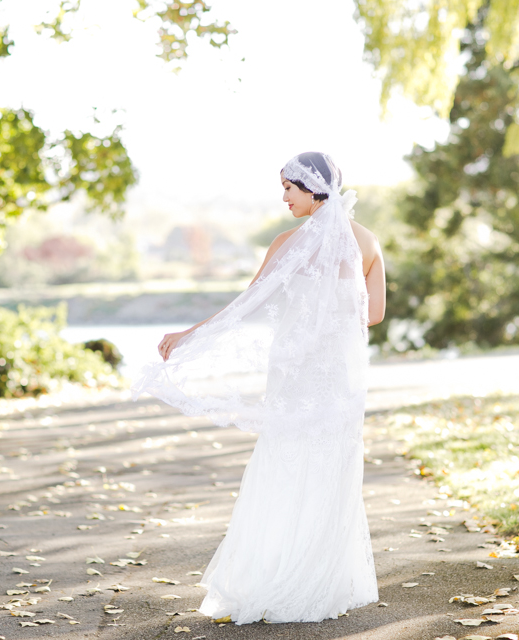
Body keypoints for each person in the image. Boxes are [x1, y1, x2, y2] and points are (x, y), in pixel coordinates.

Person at [132, 151, 386, 624]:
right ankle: (326, 581)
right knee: (333, 467)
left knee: (285, 464)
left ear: (313, 189)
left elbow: (248, 304)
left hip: (296, 376)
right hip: (341, 380)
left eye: (289, 187)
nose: (284, 196)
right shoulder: (367, 241)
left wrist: (190, 334)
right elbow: (373, 315)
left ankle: (276, 575)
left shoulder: (288, 243)